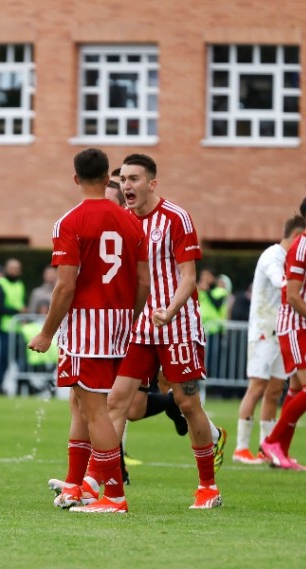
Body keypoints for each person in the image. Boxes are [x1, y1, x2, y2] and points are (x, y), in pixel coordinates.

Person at [101, 153, 224, 510]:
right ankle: (109, 491)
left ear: (151, 184)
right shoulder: (122, 219)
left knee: (187, 402)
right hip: (140, 327)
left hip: (178, 324)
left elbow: (189, 276)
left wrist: (170, 311)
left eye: (134, 179)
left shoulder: (176, 218)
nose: (127, 186)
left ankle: (208, 488)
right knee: (119, 402)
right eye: (123, 179)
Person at [30, 147, 147, 514]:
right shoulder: (130, 221)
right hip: (117, 322)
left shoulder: (70, 222)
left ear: (76, 178)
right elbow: (143, 281)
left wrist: (47, 333)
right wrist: (129, 317)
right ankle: (75, 487)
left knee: (95, 410)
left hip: (87, 324)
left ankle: (113, 496)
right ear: (107, 178)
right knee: (82, 406)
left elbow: (65, 286)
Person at [260, 193, 306, 471]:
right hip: (294, 325)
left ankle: (282, 452)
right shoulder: (301, 248)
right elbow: (292, 297)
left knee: (297, 389)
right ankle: (271, 441)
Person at [233, 214, 305, 465]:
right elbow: (279, 281)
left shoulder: (290, 258)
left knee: (275, 390)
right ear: (297, 237)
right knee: (257, 387)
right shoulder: (272, 256)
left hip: (281, 332)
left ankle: (267, 448)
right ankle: (241, 448)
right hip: (263, 330)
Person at [0, 258, 26, 393]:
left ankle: (22, 385)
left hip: (17, 327)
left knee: (20, 357)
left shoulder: (20, 285)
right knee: (4, 357)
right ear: (6, 269)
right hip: (3, 326)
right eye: (12, 268)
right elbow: (0, 307)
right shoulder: (0, 284)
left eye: (17, 268)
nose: (15, 270)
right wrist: (18, 312)